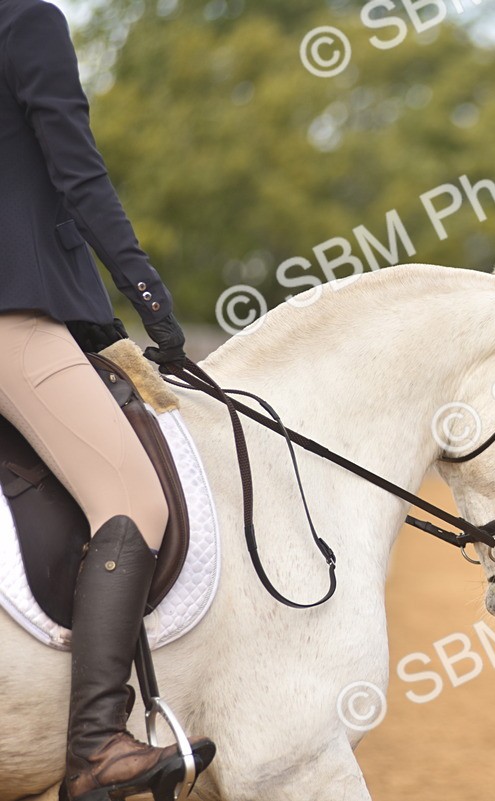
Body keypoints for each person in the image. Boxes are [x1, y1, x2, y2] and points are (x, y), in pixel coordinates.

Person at [0, 1, 216, 798]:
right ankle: (97, 742)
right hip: (11, 313)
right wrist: (150, 299)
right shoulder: (26, 20)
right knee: (132, 498)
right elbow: (75, 167)